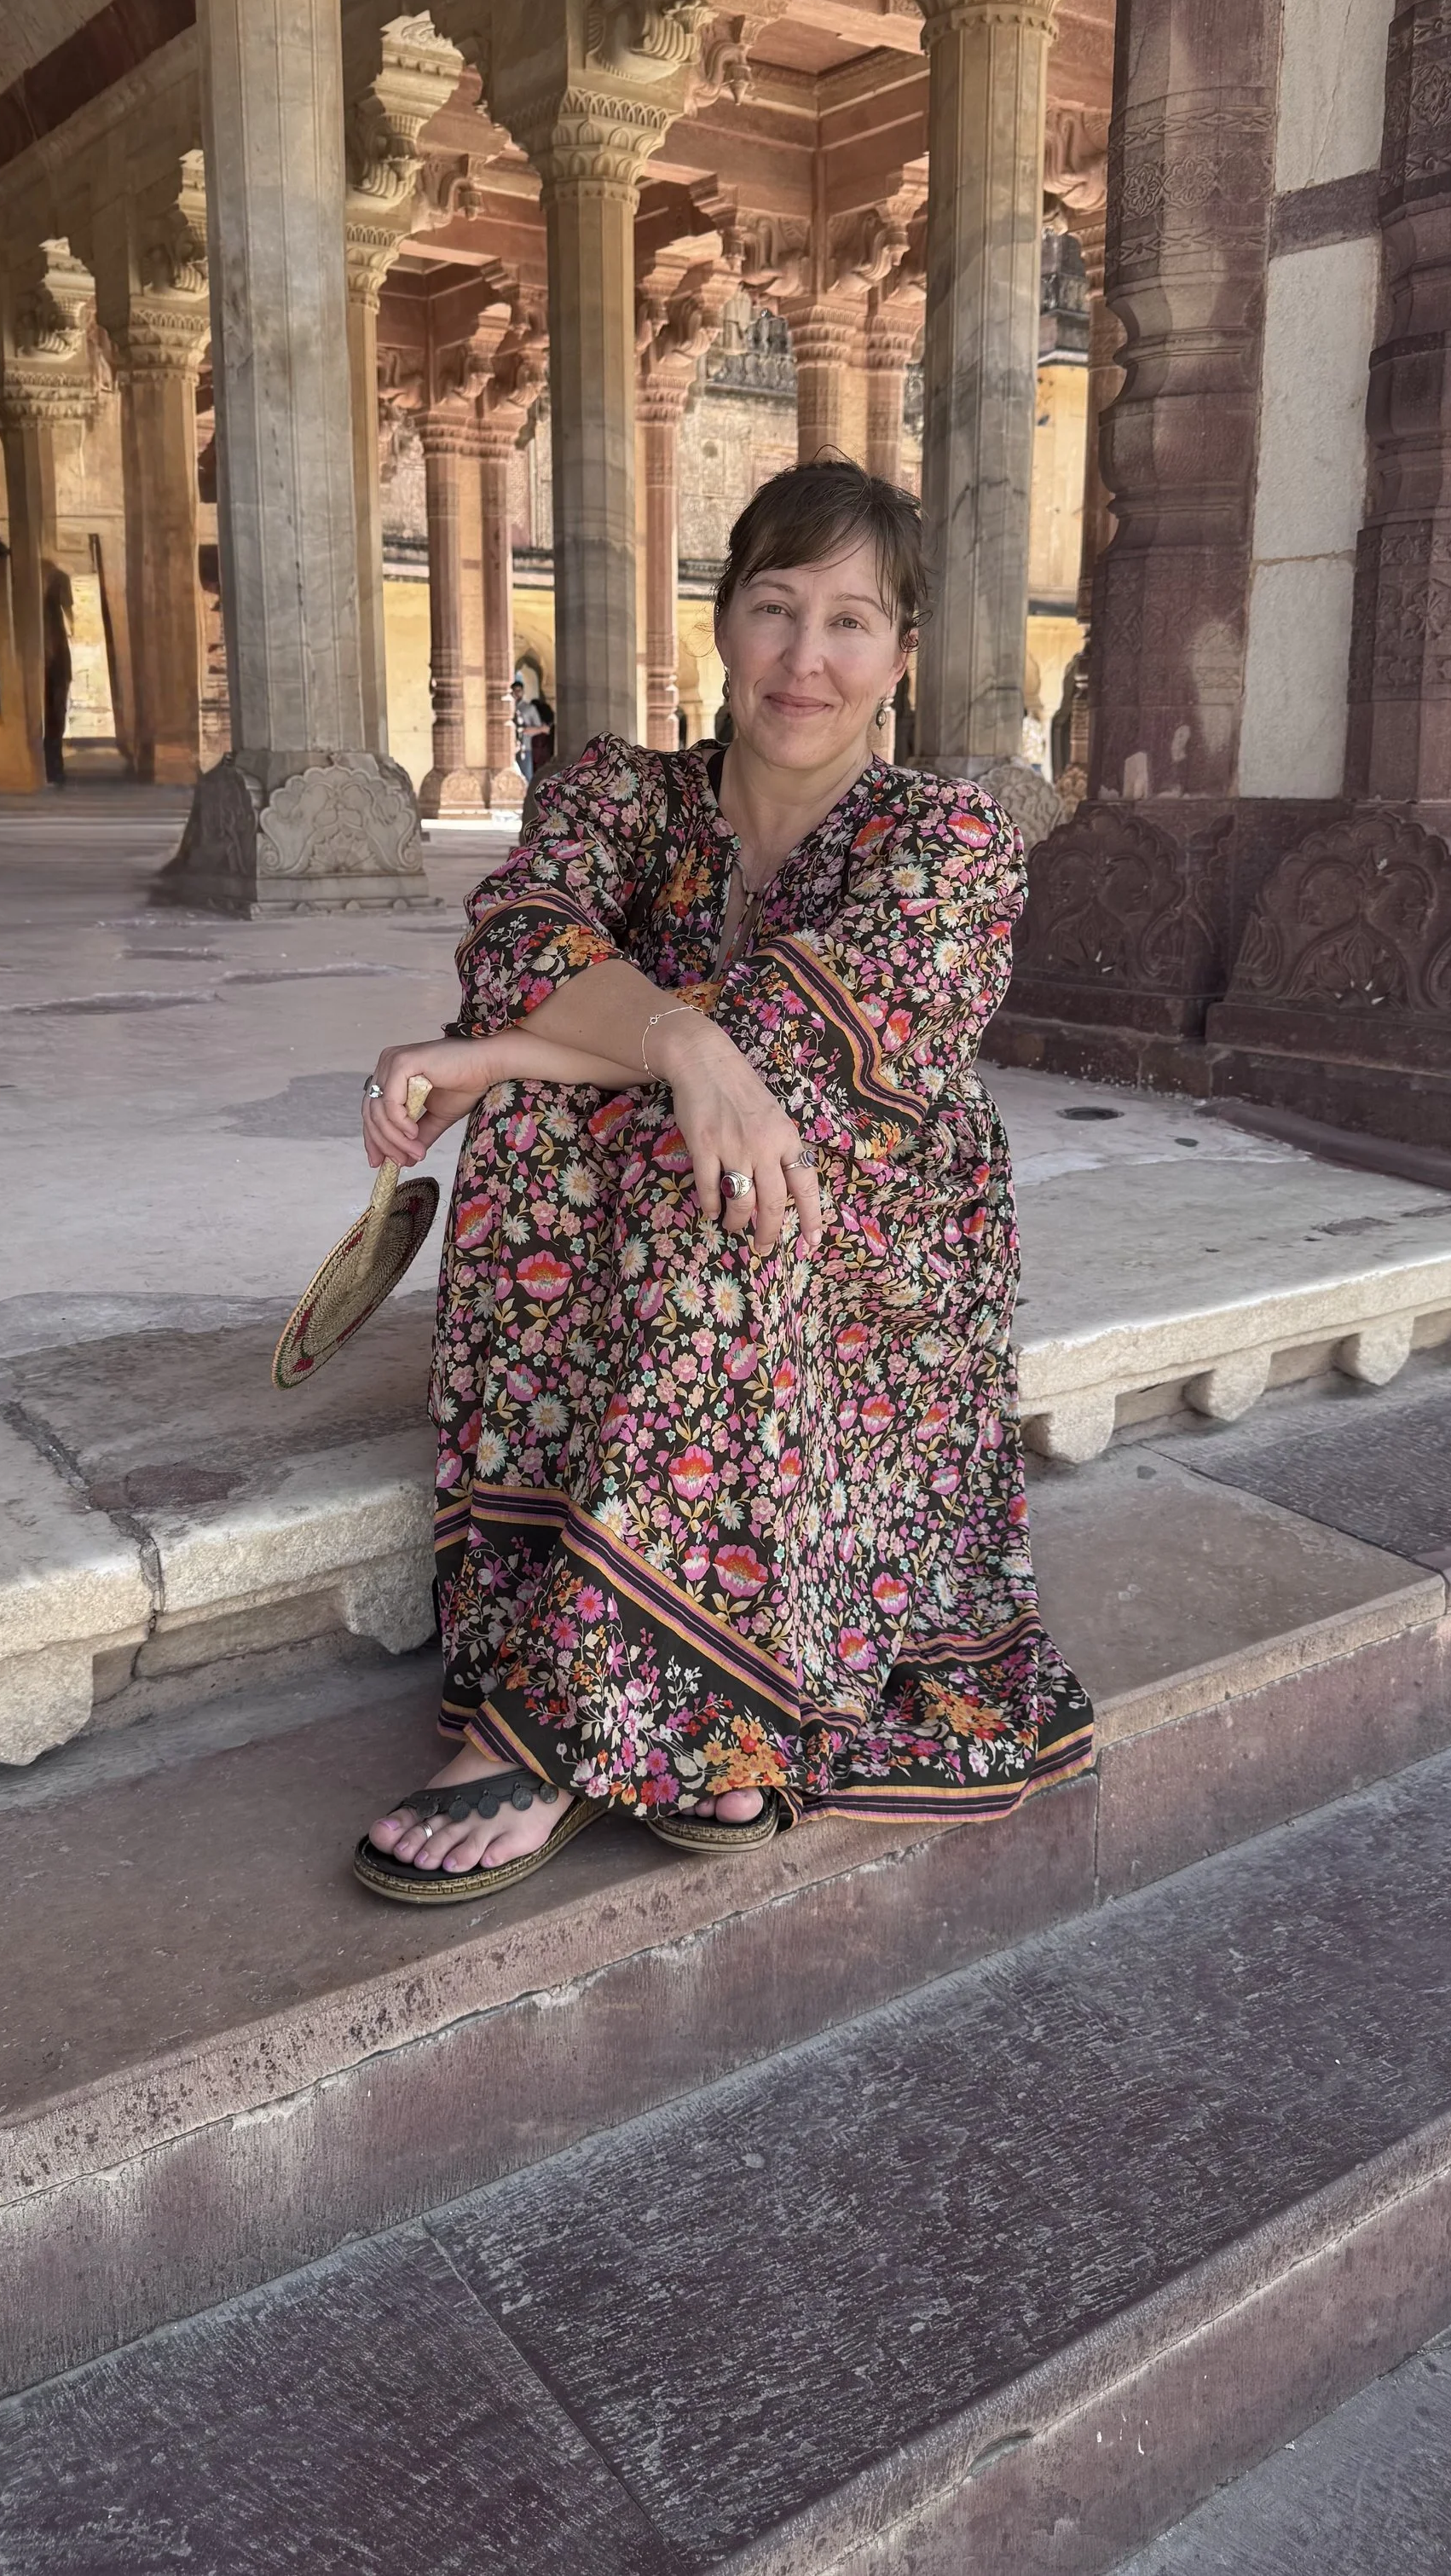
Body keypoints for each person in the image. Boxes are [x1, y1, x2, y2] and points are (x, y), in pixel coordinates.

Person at [355, 456, 1092, 1902]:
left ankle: (571, 1712)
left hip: (873, 1229)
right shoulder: (623, 795)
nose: (805, 659)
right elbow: (523, 939)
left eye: (852, 621)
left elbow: (805, 1057)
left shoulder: (947, 839)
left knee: (719, 1167)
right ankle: (687, 1708)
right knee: (583, 1143)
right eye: (773, 608)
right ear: (723, 624)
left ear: (902, 655)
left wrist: (514, 1057)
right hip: (702, 1176)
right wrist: (669, 1041)